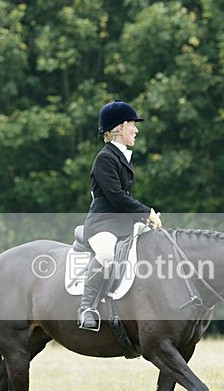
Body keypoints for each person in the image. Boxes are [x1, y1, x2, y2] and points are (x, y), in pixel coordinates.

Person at [78, 99, 162, 330]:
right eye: (133, 125)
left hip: (120, 224)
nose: (136, 130)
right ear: (121, 127)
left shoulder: (121, 156)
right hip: (102, 225)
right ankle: (86, 308)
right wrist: (147, 213)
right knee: (106, 254)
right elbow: (116, 197)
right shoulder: (105, 158)